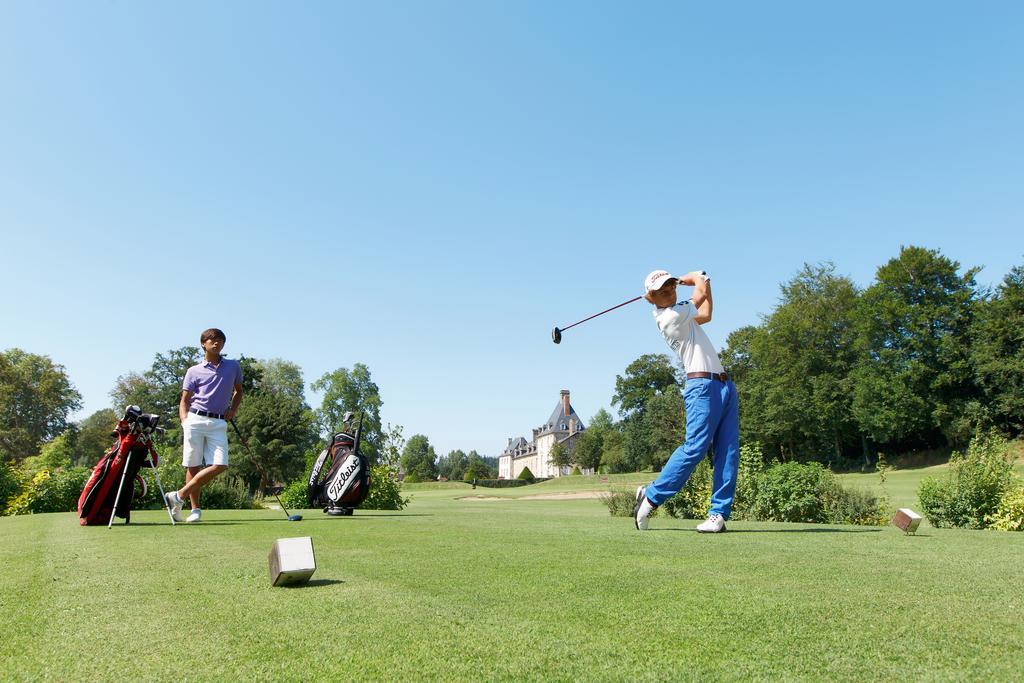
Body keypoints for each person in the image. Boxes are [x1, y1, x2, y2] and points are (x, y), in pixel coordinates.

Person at [633, 270, 739, 533]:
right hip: (701, 387)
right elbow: (699, 294)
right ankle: (652, 497)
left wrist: (706, 282)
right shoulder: (670, 316)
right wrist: (693, 277)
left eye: (672, 286)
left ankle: (718, 514)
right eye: (663, 289)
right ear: (651, 297)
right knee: (695, 449)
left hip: (724, 385)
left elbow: (707, 314)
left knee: (728, 452)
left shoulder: (684, 315)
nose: (670, 291)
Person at [164, 328, 243, 523]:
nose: (217, 343)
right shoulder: (193, 371)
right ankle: (194, 510)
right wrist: (185, 421)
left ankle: (178, 496)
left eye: (220, 341)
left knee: (220, 464)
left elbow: (238, 391)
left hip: (218, 422)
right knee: (193, 465)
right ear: (203, 344)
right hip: (195, 419)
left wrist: (233, 409)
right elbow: (184, 400)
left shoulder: (233, 366)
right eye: (212, 340)